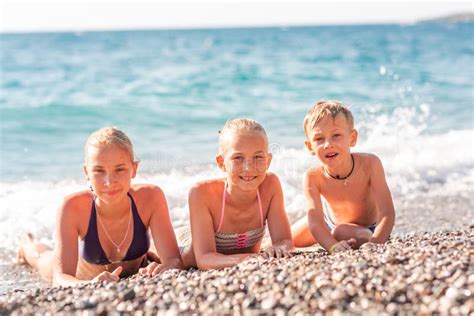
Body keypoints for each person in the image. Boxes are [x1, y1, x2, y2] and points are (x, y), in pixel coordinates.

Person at [17, 127, 183, 286]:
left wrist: (162, 268)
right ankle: (26, 245)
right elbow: (60, 278)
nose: (109, 181)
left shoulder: (151, 198)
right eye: (99, 170)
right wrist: (90, 284)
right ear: (86, 172)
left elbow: (174, 261)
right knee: (41, 258)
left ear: (134, 168)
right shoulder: (73, 207)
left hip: (135, 266)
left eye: (119, 169)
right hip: (79, 274)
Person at [179, 118, 293, 270]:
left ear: (268, 160)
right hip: (182, 242)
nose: (248, 167)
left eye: (258, 157)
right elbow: (205, 259)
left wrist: (280, 249)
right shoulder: (202, 193)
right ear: (221, 163)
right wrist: (250, 258)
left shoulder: (270, 185)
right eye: (238, 158)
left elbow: (284, 240)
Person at [292, 100, 395, 254]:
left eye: (336, 135)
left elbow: (387, 213)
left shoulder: (370, 164)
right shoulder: (313, 176)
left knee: (341, 232)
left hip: (369, 228)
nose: (328, 144)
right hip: (329, 223)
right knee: (284, 240)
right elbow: (316, 224)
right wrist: (332, 246)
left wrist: (376, 242)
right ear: (310, 147)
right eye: (319, 139)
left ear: (352, 138)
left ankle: (364, 237)